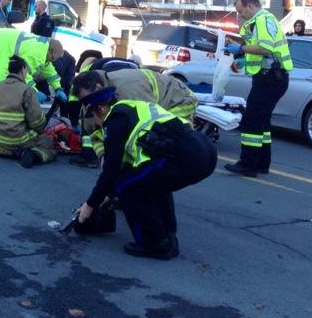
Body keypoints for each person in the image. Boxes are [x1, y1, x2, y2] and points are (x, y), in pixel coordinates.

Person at [72, 71, 217, 260]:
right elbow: (123, 168)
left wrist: (90, 206)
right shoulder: (131, 105)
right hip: (204, 151)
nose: (97, 125)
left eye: (94, 119)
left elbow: (111, 172)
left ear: (99, 109)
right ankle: (168, 236)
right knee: (152, 183)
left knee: (126, 186)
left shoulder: (114, 121)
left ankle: (154, 243)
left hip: (185, 155)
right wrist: (104, 197)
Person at [72, 67, 198, 169]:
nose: (88, 106)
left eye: (89, 100)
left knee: (155, 148)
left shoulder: (129, 91)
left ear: (98, 87)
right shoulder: (90, 103)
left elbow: (144, 124)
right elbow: (94, 134)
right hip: (152, 102)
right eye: (84, 101)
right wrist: (103, 156)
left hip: (177, 100)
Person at [224, 0, 293, 177]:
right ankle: (261, 163)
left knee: (251, 120)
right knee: (262, 121)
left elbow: (266, 48)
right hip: (272, 77)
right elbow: (264, 53)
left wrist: (240, 49)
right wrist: (244, 61)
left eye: (240, 11)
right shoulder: (259, 22)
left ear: (250, 6)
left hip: (270, 78)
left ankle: (248, 164)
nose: (240, 15)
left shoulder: (262, 20)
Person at [0, 55, 57, 168]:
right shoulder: (27, 90)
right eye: (26, 70)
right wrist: (40, 130)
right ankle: (32, 154)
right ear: (23, 69)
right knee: (48, 142)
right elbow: (36, 122)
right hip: (19, 140)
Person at [0, 28, 66, 103]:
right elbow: (22, 74)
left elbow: (49, 70)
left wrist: (58, 88)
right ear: (50, 51)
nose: (53, 60)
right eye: (53, 58)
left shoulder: (43, 48)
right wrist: (34, 93)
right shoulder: (37, 52)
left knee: (2, 88)